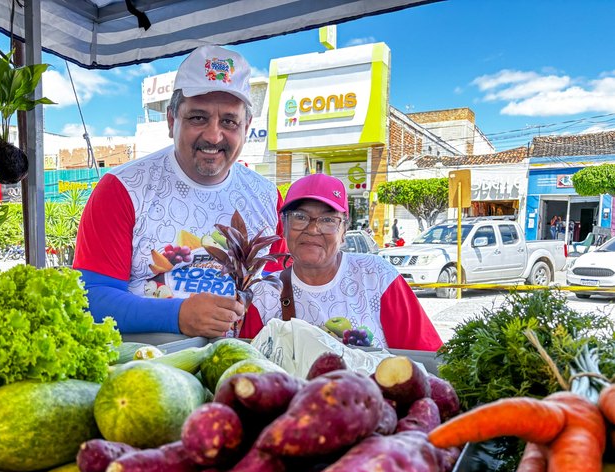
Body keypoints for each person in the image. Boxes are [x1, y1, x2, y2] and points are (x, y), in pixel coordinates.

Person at [73, 45, 286, 338]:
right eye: (198, 118)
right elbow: (91, 297)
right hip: (143, 368)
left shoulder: (266, 197)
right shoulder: (122, 188)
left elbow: (277, 283)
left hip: (237, 368)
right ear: (172, 119)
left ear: (247, 125)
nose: (213, 135)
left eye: (229, 121)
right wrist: (177, 315)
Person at [245, 173, 443, 351]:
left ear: (344, 231)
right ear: (285, 227)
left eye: (328, 220)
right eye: (300, 217)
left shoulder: (378, 277)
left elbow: (426, 355)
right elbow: (246, 369)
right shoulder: (265, 295)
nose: (313, 229)